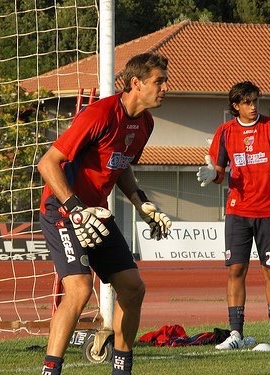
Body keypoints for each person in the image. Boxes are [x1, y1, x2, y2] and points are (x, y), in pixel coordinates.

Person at [37, 52, 172, 375]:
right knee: (80, 289)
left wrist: (142, 203)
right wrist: (75, 209)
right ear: (136, 83)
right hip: (63, 210)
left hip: (96, 214)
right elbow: (47, 163)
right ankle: (50, 370)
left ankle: (121, 369)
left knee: (133, 288)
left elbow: (121, 167)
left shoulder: (146, 124)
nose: (165, 87)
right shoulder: (99, 114)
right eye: (159, 81)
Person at [197, 81, 270, 350]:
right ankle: (236, 334)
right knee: (236, 270)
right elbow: (218, 171)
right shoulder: (225, 132)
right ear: (235, 105)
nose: (253, 107)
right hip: (237, 211)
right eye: (247, 102)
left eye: (255, 101)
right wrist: (211, 175)